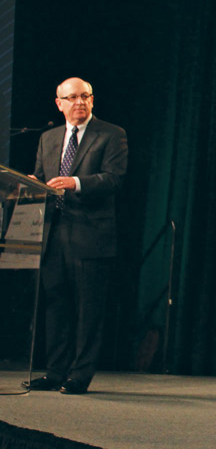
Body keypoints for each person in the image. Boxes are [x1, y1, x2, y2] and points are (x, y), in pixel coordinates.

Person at [22, 77, 127, 395]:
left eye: (85, 96)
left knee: (88, 310)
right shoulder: (49, 137)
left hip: (90, 236)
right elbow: (43, 178)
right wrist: (30, 183)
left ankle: (79, 375)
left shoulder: (111, 134)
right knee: (56, 306)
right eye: (72, 97)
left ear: (92, 100)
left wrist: (75, 183)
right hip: (53, 235)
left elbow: (114, 179)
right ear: (59, 104)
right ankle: (55, 372)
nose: (80, 102)